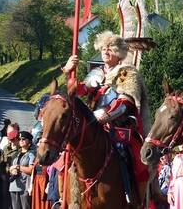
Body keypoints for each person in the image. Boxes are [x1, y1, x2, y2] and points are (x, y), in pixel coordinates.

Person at [62, 30, 150, 203]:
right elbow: (78, 91)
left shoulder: (127, 73)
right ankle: (71, 200)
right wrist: (68, 72)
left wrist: (105, 116)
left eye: (110, 48)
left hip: (119, 126)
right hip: (94, 126)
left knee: (138, 163)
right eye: (103, 48)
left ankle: (139, 200)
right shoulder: (96, 73)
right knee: (71, 158)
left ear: (119, 53)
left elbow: (126, 102)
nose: (105, 51)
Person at [9, 131, 35, 209]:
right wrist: (11, 169)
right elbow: (11, 167)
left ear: (29, 141)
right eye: (19, 139)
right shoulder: (16, 154)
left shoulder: (31, 154)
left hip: (24, 186)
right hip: (14, 185)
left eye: (23, 139)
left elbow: (31, 170)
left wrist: (18, 167)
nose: (21, 141)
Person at [0, 123, 20, 209]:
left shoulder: (21, 148)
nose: (9, 136)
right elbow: (1, 163)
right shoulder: (5, 148)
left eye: (11, 133)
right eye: (7, 133)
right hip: (3, 179)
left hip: (15, 180)